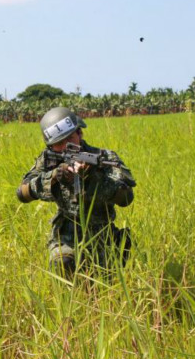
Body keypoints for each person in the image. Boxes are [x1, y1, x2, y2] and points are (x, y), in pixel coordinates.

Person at [16, 107, 136, 278]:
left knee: (106, 283)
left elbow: (126, 198)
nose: (66, 147)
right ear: (50, 146)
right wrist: (54, 177)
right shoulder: (48, 160)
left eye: (70, 138)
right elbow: (22, 193)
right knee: (62, 264)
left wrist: (93, 178)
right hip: (66, 234)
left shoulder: (104, 158)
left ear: (80, 133)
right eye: (59, 143)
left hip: (102, 234)